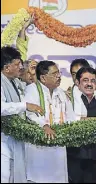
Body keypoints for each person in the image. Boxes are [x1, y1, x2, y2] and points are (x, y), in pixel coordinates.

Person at [24, 60, 75, 183]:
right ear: (43, 77)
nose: (59, 76)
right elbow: (30, 114)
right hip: (39, 147)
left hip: (59, 147)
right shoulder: (32, 90)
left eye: (59, 73)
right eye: (54, 73)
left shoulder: (61, 93)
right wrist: (45, 126)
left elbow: (70, 116)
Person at [1, 46, 44, 183]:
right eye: (17, 64)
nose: (21, 67)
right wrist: (25, 106)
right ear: (7, 68)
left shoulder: (15, 82)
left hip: (13, 139)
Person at [67, 67, 96, 183]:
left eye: (93, 80)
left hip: (95, 155)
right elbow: (69, 121)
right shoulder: (69, 99)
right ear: (77, 82)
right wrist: (95, 121)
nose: (89, 84)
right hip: (75, 155)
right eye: (85, 80)